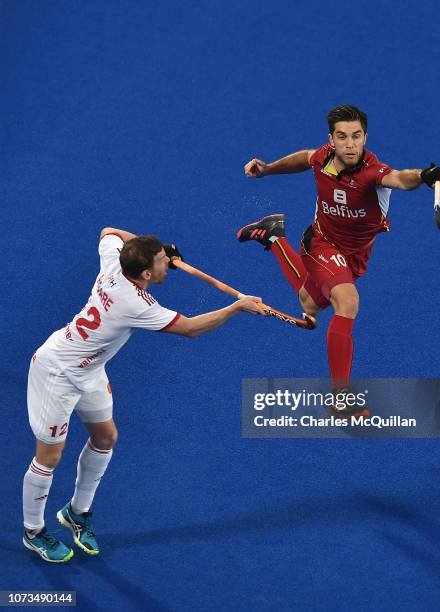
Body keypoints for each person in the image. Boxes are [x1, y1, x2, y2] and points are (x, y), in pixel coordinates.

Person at [23, 227, 264, 563]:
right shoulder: (136, 304)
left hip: (89, 370)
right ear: (147, 273)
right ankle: (33, 532)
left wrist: (156, 248)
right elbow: (191, 329)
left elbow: (109, 232)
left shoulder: (114, 263)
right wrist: (237, 307)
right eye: (165, 261)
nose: (171, 263)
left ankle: (77, 513)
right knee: (49, 457)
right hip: (57, 374)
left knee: (105, 437)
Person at [237, 104, 440, 414]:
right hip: (319, 244)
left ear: (365, 138)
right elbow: (304, 158)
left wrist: (424, 174)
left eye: (357, 136)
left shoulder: (373, 173)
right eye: (342, 137)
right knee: (347, 301)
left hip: (355, 256)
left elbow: (401, 179)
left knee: (308, 303)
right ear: (332, 140)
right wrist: (268, 169)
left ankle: (273, 236)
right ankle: (340, 398)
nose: (350, 144)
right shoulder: (323, 158)